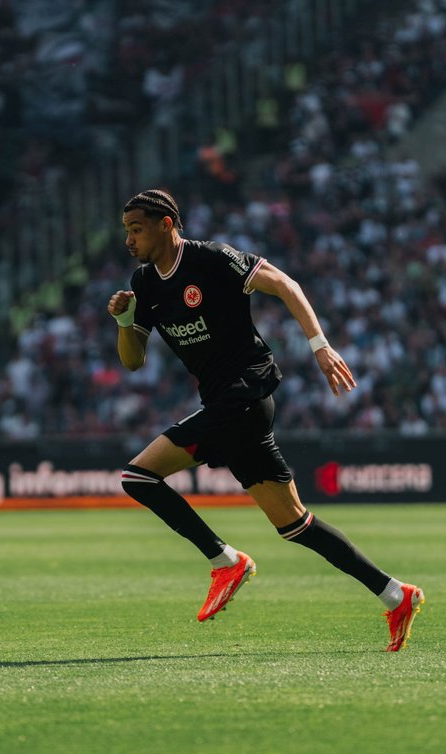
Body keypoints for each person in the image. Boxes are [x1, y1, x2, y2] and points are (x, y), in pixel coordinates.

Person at [107, 188, 424, 652]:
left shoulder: (212, 259)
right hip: (228, 406)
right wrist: (125, 320)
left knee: (137, 476)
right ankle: (396, 594)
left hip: (246, 392)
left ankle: (225, 561)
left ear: (167, 224)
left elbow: (285, 285)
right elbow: (132, 361)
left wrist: (321, 346)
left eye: (136, 229)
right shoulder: (144, 284)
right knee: (294, 523)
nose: (129, 240)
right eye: (126, 231)